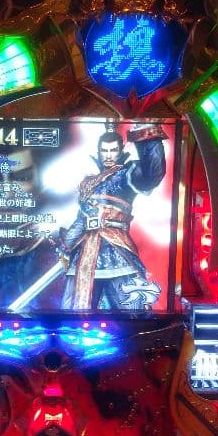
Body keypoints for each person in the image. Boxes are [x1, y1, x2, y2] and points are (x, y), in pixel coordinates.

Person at [57, 124, 167, 310]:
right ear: (99, 151)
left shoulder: (126, 175)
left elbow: (152, 174)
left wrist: (147, 135)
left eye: (113, 150)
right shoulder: (87, 183)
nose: (108, 155)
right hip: (85, 255)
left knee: (131, 311)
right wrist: (66, 246)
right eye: (105, 150)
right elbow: (81, 219)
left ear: (120, 151)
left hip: (116, 250)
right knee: (76, 310)